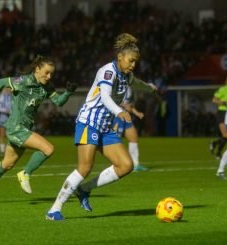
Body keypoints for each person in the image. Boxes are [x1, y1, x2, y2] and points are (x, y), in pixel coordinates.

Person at [46, 33, 140, 221]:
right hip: (89, 121)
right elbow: (105, 96)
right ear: (120, 57)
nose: (133, 65)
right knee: (85, 167)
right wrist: (118, 111)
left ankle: (84, 190)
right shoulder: (107, 71)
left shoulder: (126, 76)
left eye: (136, 62)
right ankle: (54, 209)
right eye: (131, 60)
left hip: (106, 127)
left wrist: (150, 87)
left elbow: (138, 83)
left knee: (126, 165)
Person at [0, 55, 77, 204]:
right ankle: (25, 174)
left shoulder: (46, 87)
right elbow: (0, 82)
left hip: (24, 129)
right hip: (16, 128)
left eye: (51, 74)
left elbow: (59, 101)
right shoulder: (24, 81)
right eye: (46, 72)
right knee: (48, 149)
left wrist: (68, 92)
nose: (49, 76)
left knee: (7, 164)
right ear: (37, 69)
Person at [119, 86, 148, 171]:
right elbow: (108, 99)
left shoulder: (128, 88)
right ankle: (117, 163)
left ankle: (135, 165)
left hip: (126, 116)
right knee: (114, 140)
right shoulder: (116, 85)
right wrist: (123, 105)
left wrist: (137, 113)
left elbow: (129, 105)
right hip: (115, 116)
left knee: (134, 138)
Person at [209, 74, 227, 159]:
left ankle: (215, 143)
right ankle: (218, 153)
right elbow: (214, 100)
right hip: (222, 113)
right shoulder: (223, 89)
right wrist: (224, 102)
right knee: (226, 135)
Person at [0, 87, 12, 156]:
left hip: (11, 118)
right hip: (3, 118)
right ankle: (2, 150)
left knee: (10, 135)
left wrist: (12, 112)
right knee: (2, 135)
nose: (9, 90)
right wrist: (6, 111)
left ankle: (10, 150)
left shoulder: (14, 96)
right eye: (7, 88)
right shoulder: (2, 96)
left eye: (10, 88)